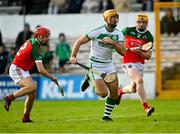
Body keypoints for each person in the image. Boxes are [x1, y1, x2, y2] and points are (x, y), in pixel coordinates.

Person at [70, 9, 126, 121]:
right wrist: (73, 56)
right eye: (112, 17)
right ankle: (89, 79)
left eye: (116, 17)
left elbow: (123, 52)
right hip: (95, 65)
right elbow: (79, 41)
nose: (115, 20)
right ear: (106, 19)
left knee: (114, 93)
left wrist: (113, 43)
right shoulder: (96, 31)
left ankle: (106, 116)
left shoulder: (119, 34)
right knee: (103, 94)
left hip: (108, 65)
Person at [2, 26, 58, 123]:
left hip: (22, 69)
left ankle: (25, 117)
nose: (47, 39)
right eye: (45, 36)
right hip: (17, 68)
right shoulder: (36, 48)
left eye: (48, 36)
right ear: (39, 37)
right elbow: (40, 70)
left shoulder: (32, 41)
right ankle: (9, 98)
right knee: (32, 87)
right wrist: (52, 77)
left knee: (32, 93)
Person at [116, 14, 155, 116]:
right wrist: (126, 49)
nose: (141, 24)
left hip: (140, 65)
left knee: (133, 89)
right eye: (139, 22)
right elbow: (117, 43)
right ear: (136, 22)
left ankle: (120, 91)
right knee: (140, 80)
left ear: (147, 23)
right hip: (128, 62)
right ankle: (146, 107)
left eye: (144, 22)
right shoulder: (127, 30)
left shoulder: (149, 36)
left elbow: (148, 56)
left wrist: (140, 53)